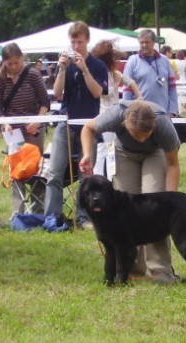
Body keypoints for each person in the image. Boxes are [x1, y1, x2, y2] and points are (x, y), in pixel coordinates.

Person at [78, 100, 181, 284]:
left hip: (154, 154)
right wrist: (87, 154)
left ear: (154, 127)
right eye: (137, 135)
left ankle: (162, 273)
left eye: (146, 135)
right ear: (125, 123)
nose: (141, 139)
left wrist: (169, 200)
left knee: (154, 212)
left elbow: (173, 164)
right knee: (124, 214)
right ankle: (133, 269)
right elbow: (88, 128)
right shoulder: (116, 114)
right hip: (124, 153)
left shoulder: (164, 124)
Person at [43, 21, 107, 228]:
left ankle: (84, 217)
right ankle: (52, 216)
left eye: (80, 42)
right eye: (73, 42)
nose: (76, 46)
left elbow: (98, 92)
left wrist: (85, 70)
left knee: (85, 174)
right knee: (54, 172)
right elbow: (58, 93)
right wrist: (61, 70)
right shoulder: (66, 64)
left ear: (87, 41)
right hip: (66, 122)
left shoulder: (98, 65)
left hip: (89, 125)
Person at [0, 42, 50, 216]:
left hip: (33, 129)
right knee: (17, 171)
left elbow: (45, 102)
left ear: (22, 59)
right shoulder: (0, 80)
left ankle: (38, 210)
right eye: (9, 63)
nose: (13, 67)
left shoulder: (32, 74)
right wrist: (5, 122)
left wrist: (37, 121)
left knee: (36, 169)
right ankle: (18, 211)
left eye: (16, 62)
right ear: (4, 62)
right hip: (13, 132)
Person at [91, 39, 141, 178]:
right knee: (106, 149)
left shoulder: (114, 73)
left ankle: (107, 177)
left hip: (114, 115)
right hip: (104, 115)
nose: (117, 60)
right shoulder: (101, 74)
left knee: (108, 149)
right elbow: (104, 93)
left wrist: (139, 97)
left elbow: (131, 82)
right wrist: (116, 85)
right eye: (115, 57)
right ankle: (104, 177)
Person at [123, 30, 178, 116]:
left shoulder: (165, 61)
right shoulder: (132, 62)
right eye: (142, 42)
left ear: (153, 42)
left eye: (147, 42)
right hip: (139, 115)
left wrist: (172, 111)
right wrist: (126, 112)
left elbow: (172, 87)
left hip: (162, 113)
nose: (144, 45)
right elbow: (127, 89)